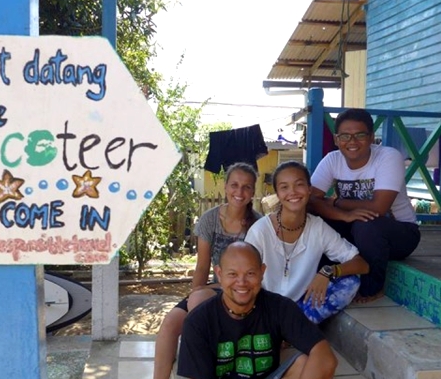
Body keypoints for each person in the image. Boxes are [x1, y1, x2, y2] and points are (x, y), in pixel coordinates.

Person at [153, 162, 263, 379]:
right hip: (213, 286)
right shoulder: (210, 219)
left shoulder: (258, 224)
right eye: (234, 185)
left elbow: (256, 273)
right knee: (169, 325)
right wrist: (196, 291)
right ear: (225, 187)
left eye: (246, 187)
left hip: (241, 290)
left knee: (199, 307)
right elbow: (202, 265)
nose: (239, 192)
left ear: (253, 191)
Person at [177, 241, 337, 379]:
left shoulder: (280, 307)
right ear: (219, 274)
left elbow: (325, 358)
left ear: (262, 272)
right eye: (232, 274)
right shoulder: (198, 322)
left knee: (303, 363)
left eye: (250, 273)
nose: (241, 282)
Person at [308, 109, 421, 303]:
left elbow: (379, 208)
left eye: (360, 135)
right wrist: (344, 216)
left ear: (371, 138)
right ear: (336, 139)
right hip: (357, 231)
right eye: (345, 136)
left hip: (400, 234)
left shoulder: (388, 157)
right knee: (315, 221)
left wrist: (337, 202)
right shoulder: (332, 160)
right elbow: (310, 201)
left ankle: (372, 288)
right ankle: (316, 278)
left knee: (366, 224)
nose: (352, 142)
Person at [244, 161, 369, 324]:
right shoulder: (260, 231)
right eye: (284, 187)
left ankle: (294, 330)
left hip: (300, 308)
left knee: (350, 282)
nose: (293, 192)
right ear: (277, 193)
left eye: (299, 185)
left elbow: (361, 265)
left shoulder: (317, 227)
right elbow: (245, 279)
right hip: (264, 306)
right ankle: (284, 331)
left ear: (309, 189)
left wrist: (328, 271)